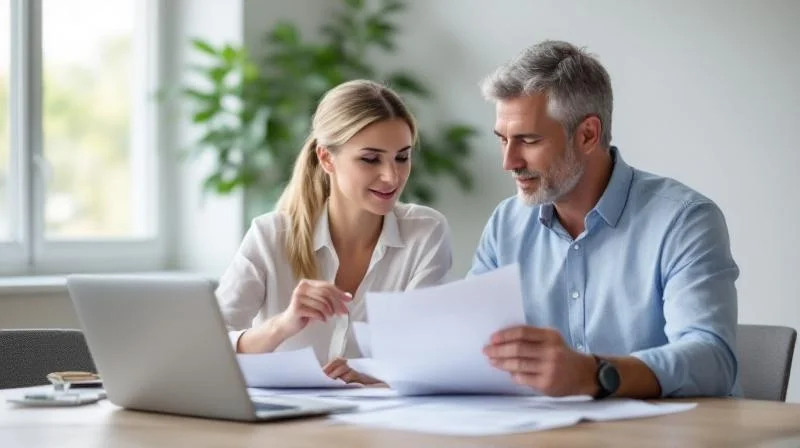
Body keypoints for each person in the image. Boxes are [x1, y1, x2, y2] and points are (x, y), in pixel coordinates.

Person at [474, 41, 739, 399]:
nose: (509, 161)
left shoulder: (683, 220)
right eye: (503, 139)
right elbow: (472, 344)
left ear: (587, 135)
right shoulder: (505, 224)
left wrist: (595, 373)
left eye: (529, 140)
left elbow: (712, 359)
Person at [215, 79, 452, 385]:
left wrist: (372, 376)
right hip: (286, 426)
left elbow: (427, 356)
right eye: (370, 159)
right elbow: (208, 348)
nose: (391, 176)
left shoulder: (425, 232)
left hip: (383, 425)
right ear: (327, 158)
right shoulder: (270, 235)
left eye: (402, 157)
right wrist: (283, 325)